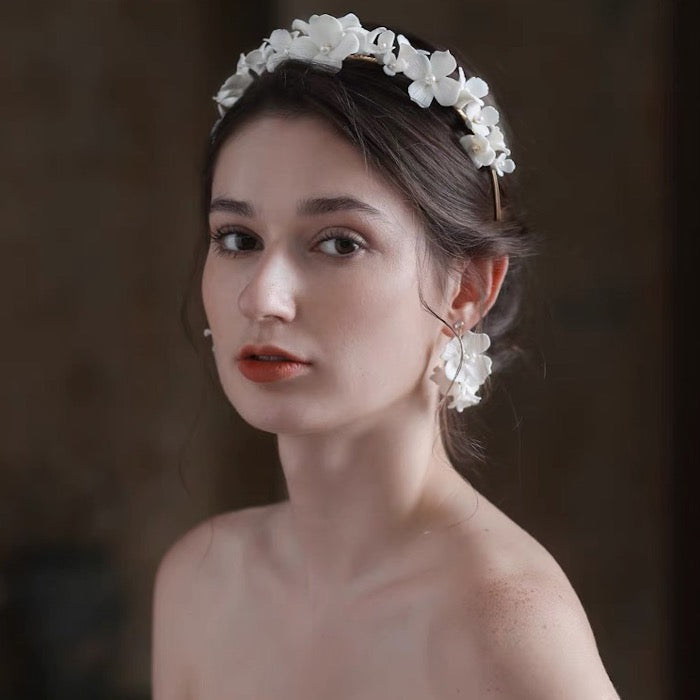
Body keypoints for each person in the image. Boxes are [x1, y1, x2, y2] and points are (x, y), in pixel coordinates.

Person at [152, 13, 619, 699]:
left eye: (339, 243)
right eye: (238, 238)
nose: (264, 296)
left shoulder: (507, 625)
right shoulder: (200, 581)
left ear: (467, 288)